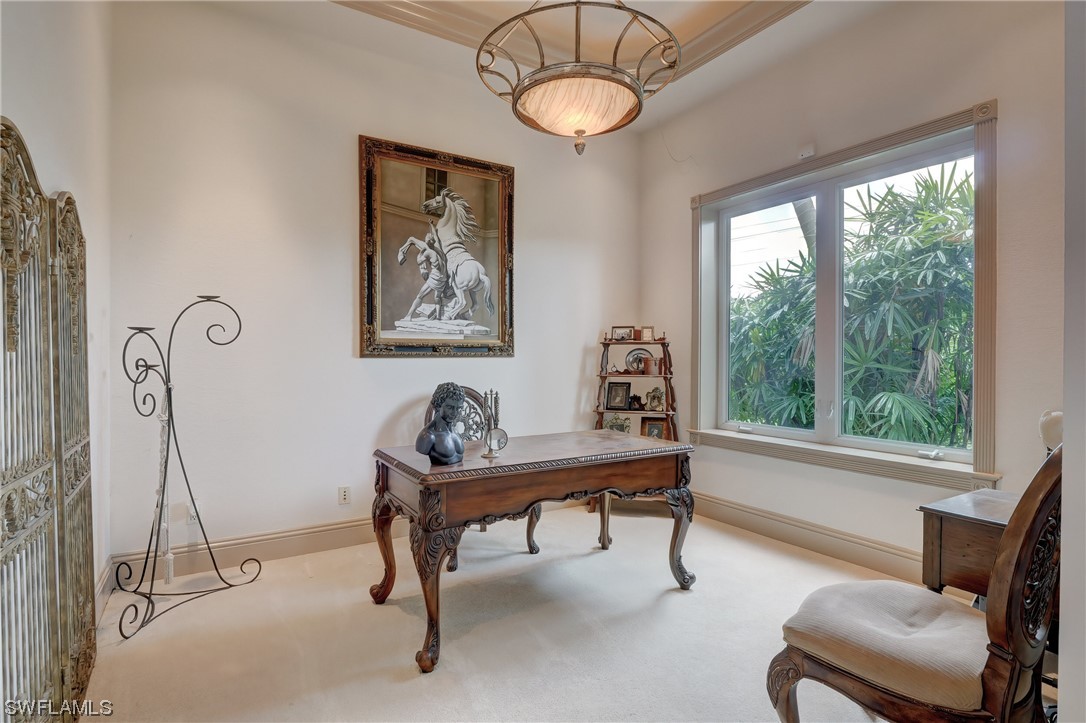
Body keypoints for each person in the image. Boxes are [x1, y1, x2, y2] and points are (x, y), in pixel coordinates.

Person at [416, 381, 466, 465]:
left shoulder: (455, 431)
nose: (455, 413)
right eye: (450, 407)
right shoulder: (427, 437)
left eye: (458, 408)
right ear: (438, 405)